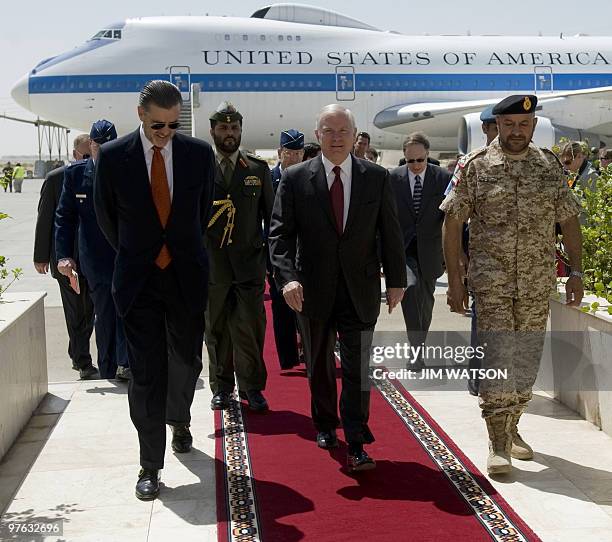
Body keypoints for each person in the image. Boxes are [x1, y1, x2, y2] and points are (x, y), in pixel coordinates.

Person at [441, 94, 584, 475]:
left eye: (524, 124)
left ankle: (514, 425)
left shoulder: (549, 166)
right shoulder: (475, 166)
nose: (517, 131)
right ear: (496, 125)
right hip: (493, 284)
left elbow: (568, 220)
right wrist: (456, 281)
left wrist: (577, 272)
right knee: (498, 359)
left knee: (525, 362)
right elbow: (452, 223)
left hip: (536, 283)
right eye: (509, 125)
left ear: (534, 126)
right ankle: (498, 440)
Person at [94, 80, 215, 501]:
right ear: (141, 114)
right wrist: (140, 254)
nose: (166, 132)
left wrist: (176, 250)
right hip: (139, 281)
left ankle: (179, 418)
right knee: (146, 374)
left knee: (185, 360)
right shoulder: (112, 157)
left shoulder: (198, 155)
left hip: (185, 277)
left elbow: (200, 216)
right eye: (158, 124)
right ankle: (150, 463)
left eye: (173, 124)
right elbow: (107, 218)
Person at [269, 104, 407, 472]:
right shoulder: (296, 178)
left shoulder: (376, 177)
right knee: (319, 365)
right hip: (311, 291)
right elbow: (279, 236)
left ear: (354, 135)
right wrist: (288, 278)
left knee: (358, 368)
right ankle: (326, 423)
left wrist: (395, 280)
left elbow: (390, 233)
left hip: (360, 290)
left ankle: (358, 440)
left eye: (342, 131)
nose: (335, 138)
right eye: (328, 131)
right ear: (317, 136)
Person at [206, 102, 274, 412]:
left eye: (234, 128)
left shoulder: (257, 169)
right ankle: (222, 388)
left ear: (240, 131)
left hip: (249, 266)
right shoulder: (200, 168)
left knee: (250, 327)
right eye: (223, 128)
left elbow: (273, 221)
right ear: (213, 131)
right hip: (213, 266)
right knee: (216, 330)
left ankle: (252, 388)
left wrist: (274, 266)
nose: (229, 133)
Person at [55, 120, 130, 381]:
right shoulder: (76, 174)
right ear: (91, 146)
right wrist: (64, 256)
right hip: (95, 259)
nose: (104, 150)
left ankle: (125, 364)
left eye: (110, 145)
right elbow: (64, 218)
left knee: (127, 310)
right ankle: (110, 368)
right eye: (99, 146)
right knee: (105, 314)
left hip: (126, 255)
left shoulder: (132, 170)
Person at [34, 134, 96, 380]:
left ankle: (77, 352)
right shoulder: (56, 179)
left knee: (89, 311)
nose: (88, 160)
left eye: (91, 155)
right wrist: (40, 256)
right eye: (84, 155)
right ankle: (83, 362)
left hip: (91, 258)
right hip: (65, 258)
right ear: (74, 155)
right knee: (75, 312)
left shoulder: (99, 175)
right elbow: (45, 220)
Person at [390, 132, 451, 372]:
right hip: (402, 250)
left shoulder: (442, 178)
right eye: (410, 161)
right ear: (404, 158)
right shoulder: (392, 179)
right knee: (412, 290)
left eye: (420, 160)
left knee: (426, 302)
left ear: (428, 156)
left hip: (431, 251)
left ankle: (419, 347)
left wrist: (455, 254)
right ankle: (416, 352)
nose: (415, 166)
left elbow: (451, 219)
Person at [269, 129, 304, 369]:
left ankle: (309, 352)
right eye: (288, 153)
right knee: (281, 308)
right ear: (280, 153)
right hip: (277, 253)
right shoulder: (268, 178)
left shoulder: (308, 177)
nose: (292, 158)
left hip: (304, 253)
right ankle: (288, 358)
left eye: (297, 153)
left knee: (305, 307)